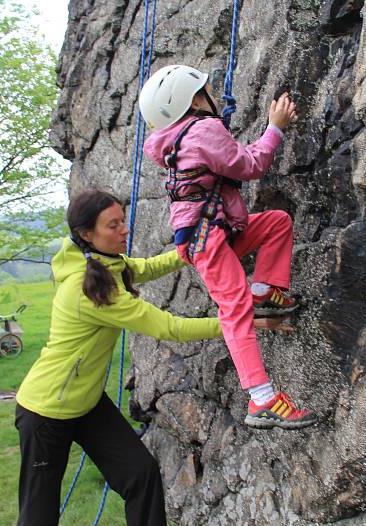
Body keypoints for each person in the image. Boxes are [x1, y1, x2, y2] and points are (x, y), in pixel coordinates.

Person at [14, 189, 224, 526]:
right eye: (113, 225)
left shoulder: (105, 262)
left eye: (122, 221)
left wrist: (186, 253)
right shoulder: (90, 288)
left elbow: (143, 267)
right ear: (86, 234)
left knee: (140, 474)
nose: (125, 230)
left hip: (86, 403)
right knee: (39, 519)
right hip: (47, 411)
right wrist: (237, 322)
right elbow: (170, 327)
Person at [139, 65, 317, 430]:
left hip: (211, 233)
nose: (215, 95)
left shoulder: (178, 139)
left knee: (276, 223)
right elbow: (250, 165)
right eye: (208, 90)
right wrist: (275, 127)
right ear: (194, 101)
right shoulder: (203, 130)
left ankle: (264, 290)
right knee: (234, 311)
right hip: (211, 237)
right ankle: (262, 398)